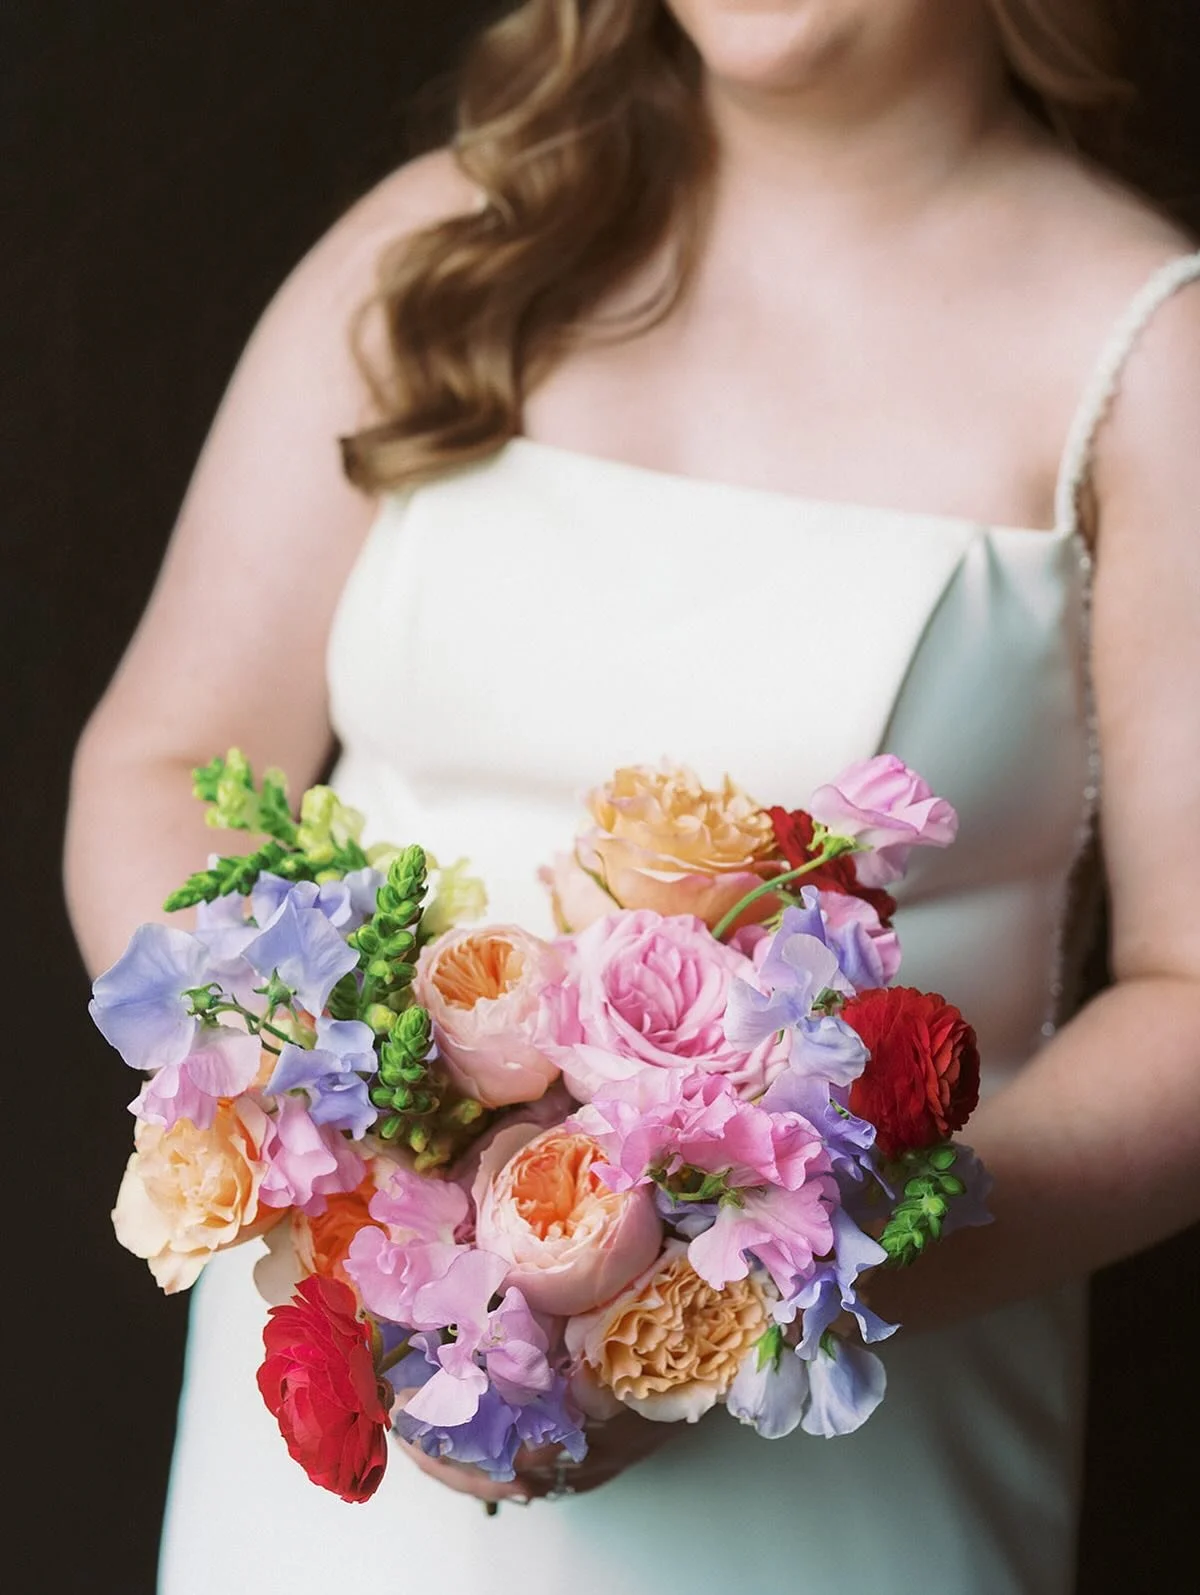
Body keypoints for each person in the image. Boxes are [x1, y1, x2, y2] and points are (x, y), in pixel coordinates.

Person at [63, 1, 1200, 1591]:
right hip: (347, 1464)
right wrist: (329, 1138)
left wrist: (747, 1287)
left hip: (852, 1477)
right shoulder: (429, 249)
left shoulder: (1144, 355)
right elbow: (159, 754)